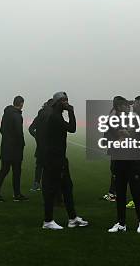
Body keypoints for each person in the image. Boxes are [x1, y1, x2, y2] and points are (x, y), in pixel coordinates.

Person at [41, 91, 89, 230]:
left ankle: (72, 218)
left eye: (67, 100)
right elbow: (72, 128)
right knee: (51, 190)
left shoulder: (55, 115)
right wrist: (72, 112)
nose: (66, 103)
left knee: (67, 188)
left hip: (58, 158)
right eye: (63, 101)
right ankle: (48, 221)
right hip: (55, 160)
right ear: (57, 103)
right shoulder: (55, 117)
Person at [106, 96, 140, 233]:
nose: (129, 107)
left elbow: (139, 136)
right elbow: (106, 138)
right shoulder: (112, 120)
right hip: (119, 160)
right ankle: (121, 223)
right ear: (119, 107)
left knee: (136, 191)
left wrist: (127, 136)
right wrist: (119, 137)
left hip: (132, 160)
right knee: (121, 193)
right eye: (125, 105)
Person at [0, 95, 28, 204]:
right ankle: (17, 194)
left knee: (4, 170)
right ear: (21, 104)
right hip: (15, 148)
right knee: (16, 171)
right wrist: (21, 144)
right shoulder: (17, 116)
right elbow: (19, 132)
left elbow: (1, 129)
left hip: (6, 146)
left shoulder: (6, 114)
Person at [28, 99, 52, 192]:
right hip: (50, 146)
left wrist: (37, 137)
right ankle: (49, 185)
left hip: (40, 146)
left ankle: (36, 184)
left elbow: (31, 129)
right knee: (50, 167)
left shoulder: (39, 115)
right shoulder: (51, 116)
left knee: (39, 166)